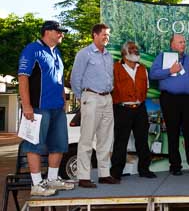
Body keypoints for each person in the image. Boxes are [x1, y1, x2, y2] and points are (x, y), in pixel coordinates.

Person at [18, 20, 74, 196]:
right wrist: (26, 105)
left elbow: (58, 81)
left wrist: (63, 101)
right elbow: (23, 78)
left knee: (58, 145)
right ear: (48, 32)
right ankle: (36, 184)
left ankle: (52, 179)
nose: (61, 34)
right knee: (34, 144)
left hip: (57, 108)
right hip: (37, 108)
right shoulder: (32, 49)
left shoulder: (56, 52)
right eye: (59, 31)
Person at [71, 23, 119, 188]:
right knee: (86, 138)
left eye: (108, 35)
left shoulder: (108, 55)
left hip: (107, 98)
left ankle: (104, 174)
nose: (107, 37)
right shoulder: (84, 54)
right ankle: (83, 176)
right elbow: (75, 78)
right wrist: (82, 97)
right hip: (91, 97)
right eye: (105, 34)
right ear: (95, 35)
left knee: (106, 138)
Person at [149, 34, 189, 176]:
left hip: (188, 100)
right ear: (172, 44)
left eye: (184, 42)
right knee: (173, 132)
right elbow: (153, 74)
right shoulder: (162, 57)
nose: (183, 44)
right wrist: (169, 71)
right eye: (180, 42)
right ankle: (175, 165)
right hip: (170, 99)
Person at [111, 41, 156, 179]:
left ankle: (144, 169)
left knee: (142, 140)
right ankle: (116, 172)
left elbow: (146, 87)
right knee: (121, 141)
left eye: (136, 48)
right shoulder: (115, 68)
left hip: (140, 109)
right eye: (132, 48)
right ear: (124, 53)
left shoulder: (142, 68)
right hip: (122, 109)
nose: (136, 50)